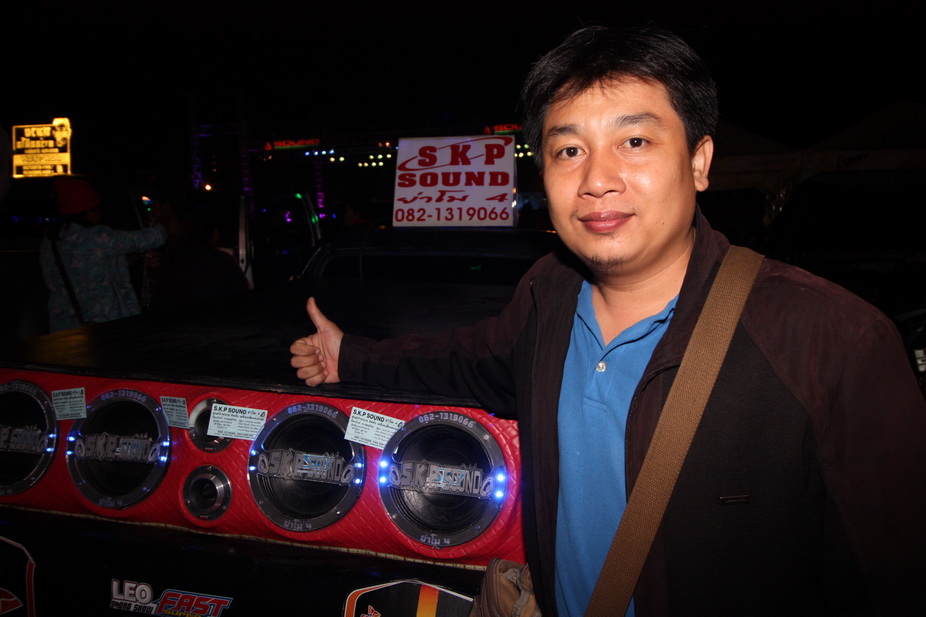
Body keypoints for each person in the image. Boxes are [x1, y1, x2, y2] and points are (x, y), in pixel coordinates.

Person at [290, 26, 926, 616]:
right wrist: (350, 355)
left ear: (700, 161)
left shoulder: (832, 341)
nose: (596, 179)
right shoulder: (548, 295)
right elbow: (466, 360)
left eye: (635, 142)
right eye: (569, 149)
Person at [39, 176, 167, 331]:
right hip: (102, 323)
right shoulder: (97, 236)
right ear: (85, 211)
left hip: (63, 326)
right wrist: (162, 221)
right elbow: (146, 239)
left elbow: (82, 266)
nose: (100, 214)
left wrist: (119, 261)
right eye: (96, 209)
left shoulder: (50, 241)